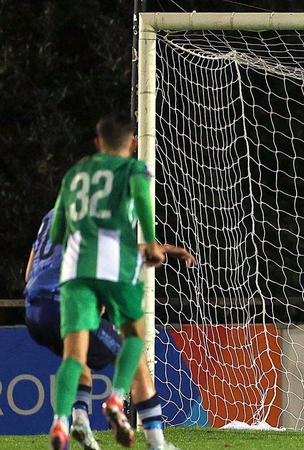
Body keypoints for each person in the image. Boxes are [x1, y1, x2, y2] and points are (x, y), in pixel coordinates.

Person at [47, 112, 167, 450]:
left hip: (75, 272)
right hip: (116, 265)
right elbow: (142, 197)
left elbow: (56, 232)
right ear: (133, 144)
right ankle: (115, 398)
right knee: (134, 336)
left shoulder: (73, 174)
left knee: (74, 356)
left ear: (97, 143)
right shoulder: (133, 169)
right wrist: (151, 241)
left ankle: (61, 421)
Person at [26, 210, 194, 450]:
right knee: (135, 358)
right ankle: (156, 442)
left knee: (78, 356)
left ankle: (78, 420)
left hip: (34, 312)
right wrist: (161, 249)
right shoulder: (96, 211)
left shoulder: (52, 215)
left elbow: (29, 274)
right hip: (65, 305)